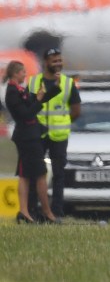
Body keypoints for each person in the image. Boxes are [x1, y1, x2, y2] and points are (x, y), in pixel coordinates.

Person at [27, 48, 81, 219]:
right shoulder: (34, 82)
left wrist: (63, 121)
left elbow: (76, 109)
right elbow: (28, 108)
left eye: (60, 60)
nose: (58, 64)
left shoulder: (68, 83)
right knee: (35, 173)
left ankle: (56, 212)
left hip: (59, 136)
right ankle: (33, 211)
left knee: (59, 175)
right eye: (54, 61)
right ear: (46, 63)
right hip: (38, 135)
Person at [5, 60, 59, 224]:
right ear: (15, 73)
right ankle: (46, 212)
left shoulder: (20, 90)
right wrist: (38, 101)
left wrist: (54, 87)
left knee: (26, 175)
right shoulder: (13, 93)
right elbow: (27, 114)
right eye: (22, 72)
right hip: (27, 138)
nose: (24, 75)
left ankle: (25, 212)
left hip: (31, 136)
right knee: (39, 174)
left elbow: (36, 101)